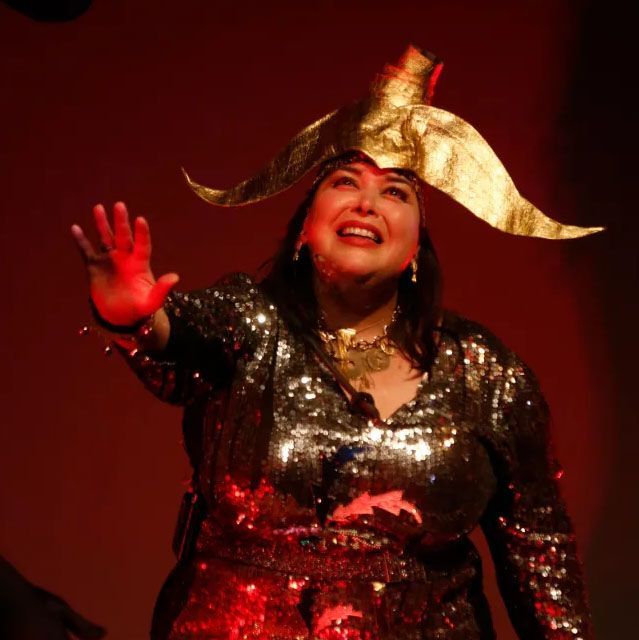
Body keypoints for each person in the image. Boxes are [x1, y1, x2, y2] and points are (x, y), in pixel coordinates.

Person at [71, 46, 599, 639]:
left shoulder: (489, 374)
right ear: (304, 229)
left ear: (416, 250)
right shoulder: (250, 322)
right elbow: (181, 342)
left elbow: (540, 556)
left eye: (396, 192)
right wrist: (137, 320)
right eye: (344, 181)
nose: (367, 203)